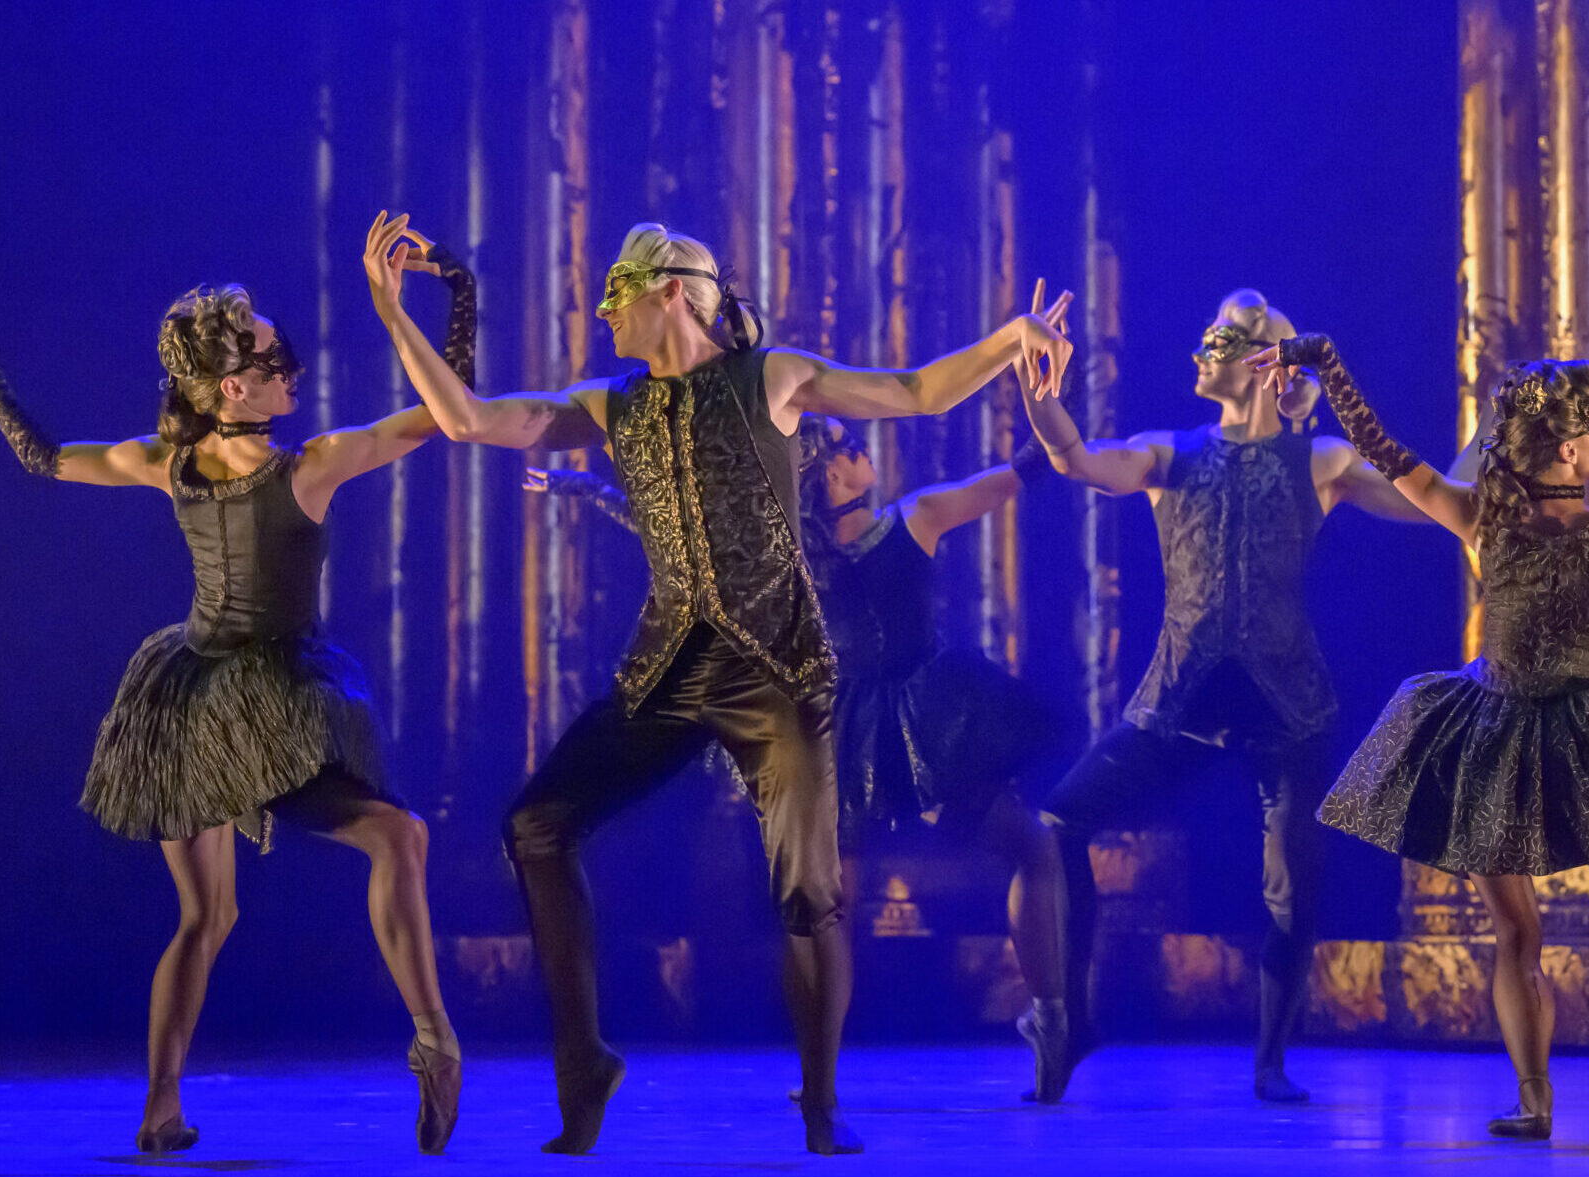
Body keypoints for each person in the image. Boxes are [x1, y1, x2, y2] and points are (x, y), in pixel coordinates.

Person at [365, 210, 1071, 1154]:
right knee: (535, 824)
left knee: (809, 893)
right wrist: (391, 311)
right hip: (669, 667)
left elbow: (913, 392)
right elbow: (469, 419)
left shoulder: (770, 376)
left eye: (618, 291)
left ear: (669, 293)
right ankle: (585, 1068)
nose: (604, 308)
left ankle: (822, 1105)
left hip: (774, 666)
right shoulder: (611, 403)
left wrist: (1012, 339)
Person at [0, 237, 476, 1154]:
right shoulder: (310, 467)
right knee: (391, 840)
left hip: (183, 702)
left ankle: (163, 1108)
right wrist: (441, 293)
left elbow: (42, 456)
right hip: (255, 707)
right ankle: (435, 1039)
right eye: (269, 357)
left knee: (210, 914)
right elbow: (451, 415)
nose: (291, 365)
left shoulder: (166, 461)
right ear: (232, 391)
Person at [1262, 335, 1589, 1138]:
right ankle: (1534, 1098)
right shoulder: (1511, 523)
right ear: (1572, 449)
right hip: (1495, 747)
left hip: (1587, 751)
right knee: (1525, 926)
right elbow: (1384, 451)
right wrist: (1322, 364)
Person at [1014, 288, 1430, 1103]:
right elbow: (1078, 460)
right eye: (1205, 335)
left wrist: (1492, 437)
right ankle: (1071, 1014)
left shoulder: (1319, 461)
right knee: (1061, 819)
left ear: (1263, 362)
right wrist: (1045, 402)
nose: (1201, 349)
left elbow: (1432, 502)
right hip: (1181, 694)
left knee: (1291, 881)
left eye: (1221, 338)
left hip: (1287, 698)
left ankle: (1271, 1058)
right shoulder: (1170, 453)